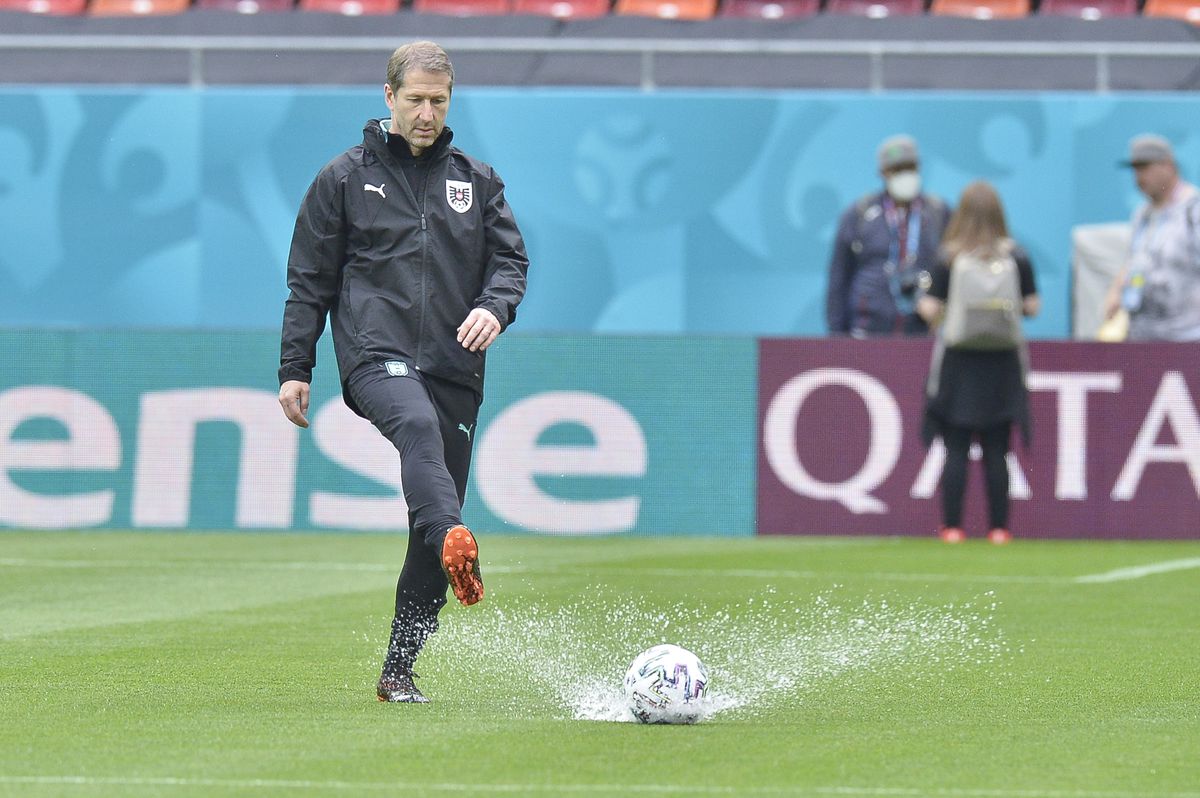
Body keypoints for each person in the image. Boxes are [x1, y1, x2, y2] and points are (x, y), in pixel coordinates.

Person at [277, 41, 529, 703]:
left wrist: (494, 307)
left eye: (438, 101)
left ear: (451, 102)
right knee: (417, 431)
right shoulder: (342, 178)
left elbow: (509, 264)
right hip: (373, 353)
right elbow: (308, 281)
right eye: (414, 98)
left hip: (455, 366)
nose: (425, 112)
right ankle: (454, 534)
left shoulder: (477, 180)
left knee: (429, 524)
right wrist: (295, 366)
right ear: (388, 96)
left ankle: (399, 670)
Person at [917, 181, 1040, 545]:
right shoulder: (1016, 256)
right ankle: (999, 529)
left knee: (954, 447)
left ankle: (953, 527)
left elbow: (930, 309)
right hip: (1002, 363)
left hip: (958, 363)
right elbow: (1033, 306)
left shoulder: (948, 257)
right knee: (997, 450)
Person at [826, 134, 952, 337]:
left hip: (922, 333)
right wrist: (838, 337)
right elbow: (839, 278)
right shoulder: (859, 214)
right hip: (867, 331)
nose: (905, 174)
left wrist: (941, 305)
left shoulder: (938, 213)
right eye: (897, 169)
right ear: (883, 172)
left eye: (910, 168)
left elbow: (953, 269)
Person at [1103, 133, 1200, 342]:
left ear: (1168, 166)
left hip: (1188, 337)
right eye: (1135, 170)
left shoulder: (1193, 210)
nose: (1139, 177)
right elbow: (1134, 260)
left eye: (1145, 168)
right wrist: (1116, 291)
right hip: (1143, 335)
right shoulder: (1142, 214)